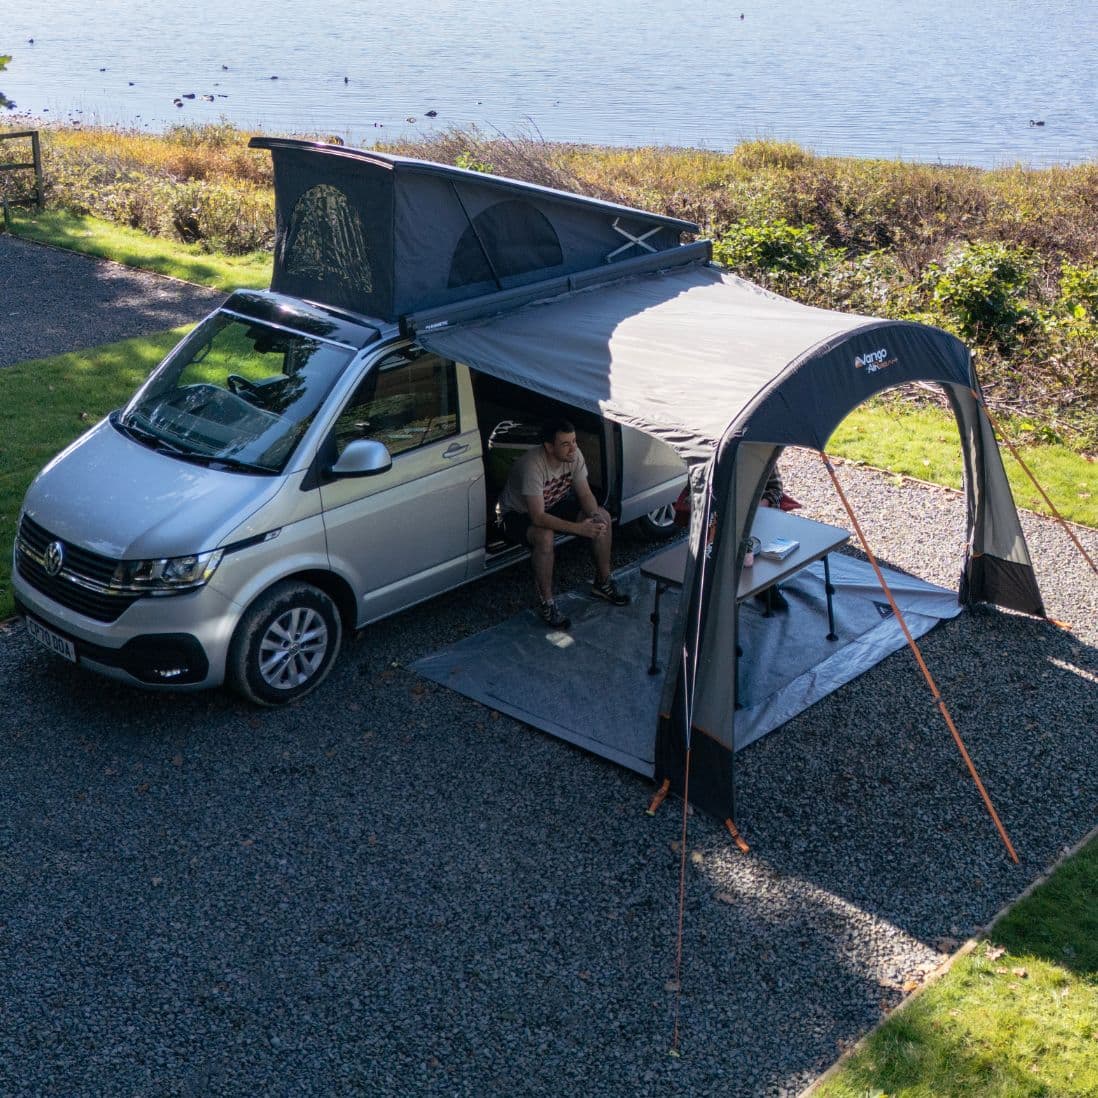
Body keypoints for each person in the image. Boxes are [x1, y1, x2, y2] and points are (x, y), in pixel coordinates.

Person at [497, 418, 630, 629]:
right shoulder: (532, 465)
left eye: (574, 441)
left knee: (603, 517)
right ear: (549, 447)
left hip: (553, 502)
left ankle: (603, 582)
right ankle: (547, 603)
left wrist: (594, 515)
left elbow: (585, 492)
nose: (573, 448)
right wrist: (580, 529)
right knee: (544, 537)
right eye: (565, 444)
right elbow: (538, 517)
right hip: (516, 514)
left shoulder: (574, 455)